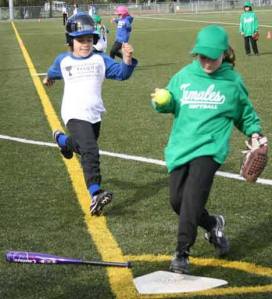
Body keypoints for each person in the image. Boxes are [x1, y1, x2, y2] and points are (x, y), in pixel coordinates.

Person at [151, 25, 265, 274]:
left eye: (212, 56)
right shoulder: (184, 76)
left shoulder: (232, 82)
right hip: (181, 147)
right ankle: (213, 223)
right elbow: (169, 102)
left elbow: (245, 114)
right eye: (202, 56)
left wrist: (255, 133)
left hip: (210, 149)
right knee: (177, 201)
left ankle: (182, 253)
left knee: (192, 197)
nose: (207, 61)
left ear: (224, 53)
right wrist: (164, 101)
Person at [43, 12, 137, 216]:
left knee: (83, 148)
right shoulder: (63, 60)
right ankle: (95, 193)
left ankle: (62, 141)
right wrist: (48, 78)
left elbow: (122, 74)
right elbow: (52, 72)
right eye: (80, 40)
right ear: (70, 41)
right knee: (91, 150)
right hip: (73, 113)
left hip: (94, 114)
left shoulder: (100, 59)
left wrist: (127, 61)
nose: (85, 44)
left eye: (88, 40)